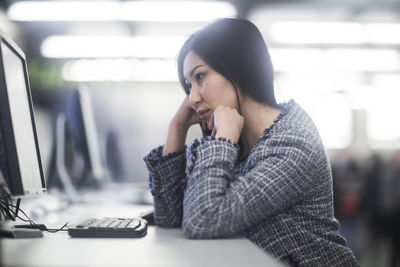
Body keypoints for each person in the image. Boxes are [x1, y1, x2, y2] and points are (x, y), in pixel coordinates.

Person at [144, 18, 359, 266]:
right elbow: (171, 219)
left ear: (238, 68)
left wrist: (222, 141)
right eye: (188, 84)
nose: (192, 97)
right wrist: (177, 127)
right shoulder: (234, 141)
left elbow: (200, 220)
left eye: (200, 76)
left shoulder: (294, 144)